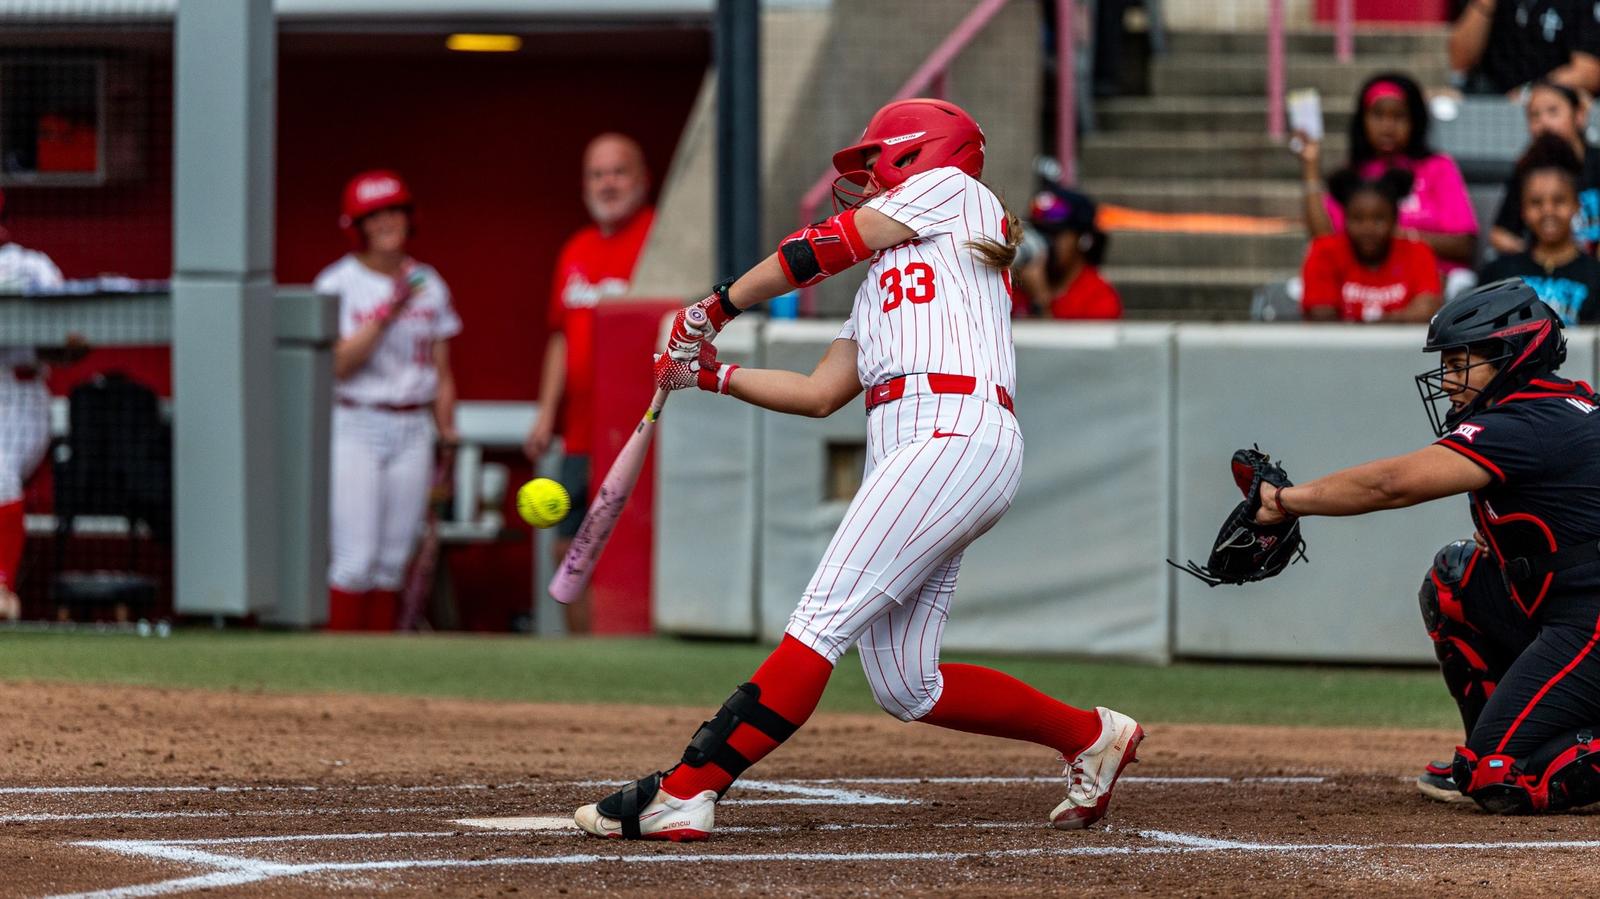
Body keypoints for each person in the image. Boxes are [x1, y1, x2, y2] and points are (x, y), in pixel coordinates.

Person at [570, 99, 1144, 842]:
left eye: (876, 160)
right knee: (907, 682)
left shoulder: (957, 193)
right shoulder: (882, 282)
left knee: (818, 625)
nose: (867, 177)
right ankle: (1091, 735)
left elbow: (827, 244)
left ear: (919, 152)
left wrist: (715, 306)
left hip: (952, 433)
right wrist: (712, 375)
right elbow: (819, 393)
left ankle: (688, 787)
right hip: (924, 451)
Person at [1252, 279, 1600, 814]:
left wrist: (1284, 501)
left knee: (1497, 776)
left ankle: (1498, 754)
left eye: (1461, 363)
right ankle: (1492, 739)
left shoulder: (1526, 421)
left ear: (1511, 356)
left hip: (1588, 622)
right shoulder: (1557, 404)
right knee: (1455, 579)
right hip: (1564, 611)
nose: (1448, 379)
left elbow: (1390, 485)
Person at [316, 170, 460, 632]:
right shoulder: (338, 282)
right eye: (374, 215)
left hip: (413, 426)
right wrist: (388, 310)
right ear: (356, 225)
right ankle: (337, 659)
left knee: (393, 561)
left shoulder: (428, 282)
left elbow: (441, 369)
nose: (386, 222)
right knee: (355, 558)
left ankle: (379, 664)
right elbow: (338, 364)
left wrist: (447, 432)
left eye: (394, 211)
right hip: (356, 420)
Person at [523, 133, 655, 635]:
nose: (608, 183)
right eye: (597, 174)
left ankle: (624, 650)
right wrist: (544, 415)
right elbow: (560, 337)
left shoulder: (658, 240)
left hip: (638, 430)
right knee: (568, 551)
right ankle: (584, 654)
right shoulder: (575, 249)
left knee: (626, 551)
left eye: (618, 171)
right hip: (580, 434)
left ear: (642, 179)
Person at [1297, 73, 1479, 295]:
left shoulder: (1438, 167)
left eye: (1399, 116)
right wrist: (1310, 166)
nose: (1387, 126)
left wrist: (1395, 237)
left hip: (1433, 283)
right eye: (1378, 115)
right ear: (1363, 120)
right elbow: (1324, 241)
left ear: (1415, 121)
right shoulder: (1353, 173)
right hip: (1362, 287)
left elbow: (1463, 245)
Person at [0, 190, 81, 621]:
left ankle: (1, 587)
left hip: (17, 396)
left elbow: (65, 346)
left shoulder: (30, 267)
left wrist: (66, 343)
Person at [1479, 134, 1600, 323]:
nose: (1548, 211)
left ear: (1577, 205)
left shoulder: (1596, 275)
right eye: (1536, 202)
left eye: (1559, 200)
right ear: (1523, 210)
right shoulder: (1498, 274)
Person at [1300, 169, 1442, 322]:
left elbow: (1426, 310)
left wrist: (1372, 324)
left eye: (1378, 219)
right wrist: (1392, 319)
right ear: (1345, 219)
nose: (1368, 229)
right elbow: (1321, 316)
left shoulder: (1418, 251)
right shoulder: (1325, 251)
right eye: (1358, 219)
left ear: (1394, 220)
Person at [1490, 80, 1600, 256]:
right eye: (1534, 116)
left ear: (1579, 115)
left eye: (1553, 111)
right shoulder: (1526, 169)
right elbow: (1501, 234)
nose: (1544, 122)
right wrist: (1538, 259)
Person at [1449, 0, 1600, 96]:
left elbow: (1588, 73)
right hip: (1493, 98)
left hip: (1552, 101)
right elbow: (1460, 62)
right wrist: (1484, 4)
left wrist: (1527, 93)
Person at [1015, 184, 1122, 320]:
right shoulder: (1017, 285)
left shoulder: (1099, 298)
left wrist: (1040, 301)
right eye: (1037, 232)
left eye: (1053, 234)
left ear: (1083, 240)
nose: (1042, 243)